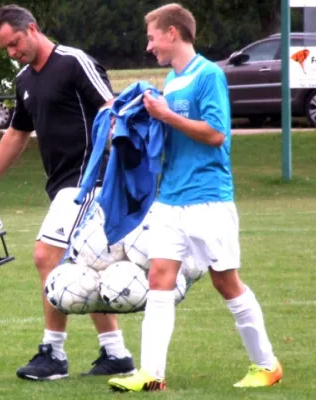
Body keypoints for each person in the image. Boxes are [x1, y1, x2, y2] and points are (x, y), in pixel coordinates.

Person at [108, 3, 283, 392]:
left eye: (152, 37)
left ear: (173, 33)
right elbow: (169, 134)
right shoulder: (170, 81)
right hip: (169, 198)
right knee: (159, 278)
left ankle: (267, 364)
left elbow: (216, 134)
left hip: (208, 197)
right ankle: (152, 373)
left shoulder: (209, 75)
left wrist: (167, 116)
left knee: (226, 281)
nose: (149, 46)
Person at [0, 5, 135, 381]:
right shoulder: (24, 79)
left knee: (46, 257)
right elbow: (16, 133)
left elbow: (112, 111)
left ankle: (53, 354)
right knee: (83, 268)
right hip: (61, 186)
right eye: (5, 49)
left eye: (14, 43)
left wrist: (117, 173)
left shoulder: (74, 62)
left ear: (33, 29)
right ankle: (116, 354)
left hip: (91, 183)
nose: (12, 53)